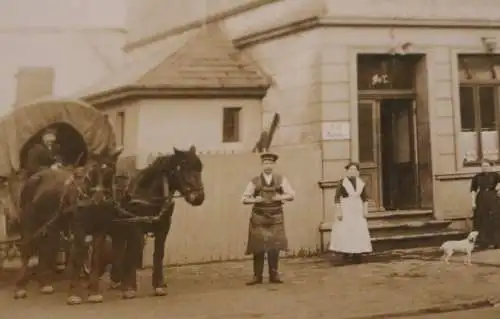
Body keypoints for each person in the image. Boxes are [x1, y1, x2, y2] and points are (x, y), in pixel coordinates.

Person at [241, 151, 295, 285]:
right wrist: (255, 199)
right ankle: (257, 276)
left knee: (274, 246)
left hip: (275, 217)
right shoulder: (254, 181)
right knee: (258, 246)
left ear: (274, 164)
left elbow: (291, 195)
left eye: (270, 163)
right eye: (265, 163)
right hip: (259, 217)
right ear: (261, 165)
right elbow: (243, 199)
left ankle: (274, 275)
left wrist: (280, 197)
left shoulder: (281, 179)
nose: (268, 166)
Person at [328, 162, 372, 264]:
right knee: (346, 230)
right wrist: (339, 211)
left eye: (355, 170)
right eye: (351, 169)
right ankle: (346, 253)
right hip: (346, 208)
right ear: (347, 171)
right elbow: (337, 198)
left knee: (358, 230)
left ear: (358, 172)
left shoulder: (361, 183)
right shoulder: (342, 182)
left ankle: (358, 253)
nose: (353, 171)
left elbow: (365, 198)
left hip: (357, 208)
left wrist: (365, 210)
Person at [470, 159, 500, 249]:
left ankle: (496, 242)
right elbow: (473, 190)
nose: (484, 168)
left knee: (495, 220)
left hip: (493, 198)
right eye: (483, 166)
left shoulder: (496, 175)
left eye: (486, 166)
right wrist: (473, 202)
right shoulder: (477, 177)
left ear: (491, 166)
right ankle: (484, 242)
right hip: (481, 199)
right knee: (482, 220)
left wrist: (499, 189)